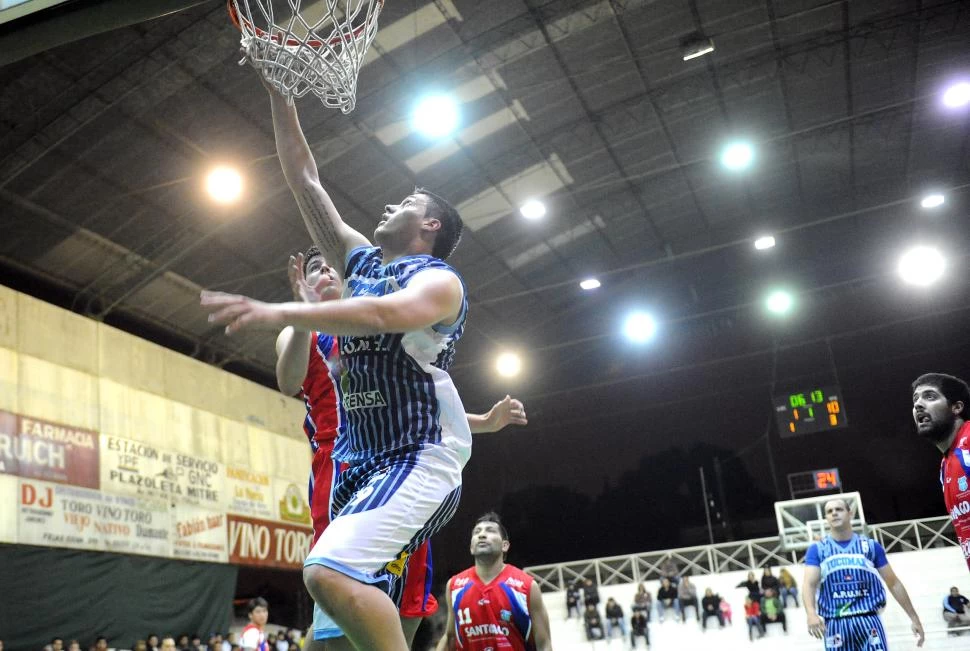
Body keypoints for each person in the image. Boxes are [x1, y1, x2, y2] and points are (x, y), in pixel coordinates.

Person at [202, 73, 474, 651]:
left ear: (430, 226)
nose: (387, 203)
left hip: (420, 456)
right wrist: (278, 91)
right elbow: (304, 180)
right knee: (336, 610)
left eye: (406, 202)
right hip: (362, 463)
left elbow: (377, 318)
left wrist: (284, 313)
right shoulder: (363, 264)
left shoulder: (438, 283)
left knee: (327, 572)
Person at [276, 246, 527, 648]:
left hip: (397, 462)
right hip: (339, 468)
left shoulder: (380, 320)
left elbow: (422, 405)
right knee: (336, 588)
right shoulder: (298, 331)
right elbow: (288, 381)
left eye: (331, 266)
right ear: (304, 283)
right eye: (314, 269)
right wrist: (303, 315)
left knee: (408, 595)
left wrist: (484, 423)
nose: (325, 271)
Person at [803, 498, 925, 649]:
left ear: (850, 513)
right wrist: (811, 613)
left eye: (839, 509)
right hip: (835, 622)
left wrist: (914, 618)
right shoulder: (817, 549)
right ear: (826, 518)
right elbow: (809, 584)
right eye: (829, 511)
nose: (834, 513)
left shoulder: (871, 546)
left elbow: (893, 583)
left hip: (869, 620)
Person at [436, 512, 552, 651]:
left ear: (505, 545)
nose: (482, 535)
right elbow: (450, 638)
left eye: (490, 531)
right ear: (471, 548)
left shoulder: (527, 586)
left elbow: (544, 643)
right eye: (477, 532)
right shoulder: (454, 586)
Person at [911, 373, 970, 571]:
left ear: (956, 407)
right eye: (916, 399)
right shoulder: (945, 466)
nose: (918, 404)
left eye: (929, 397)